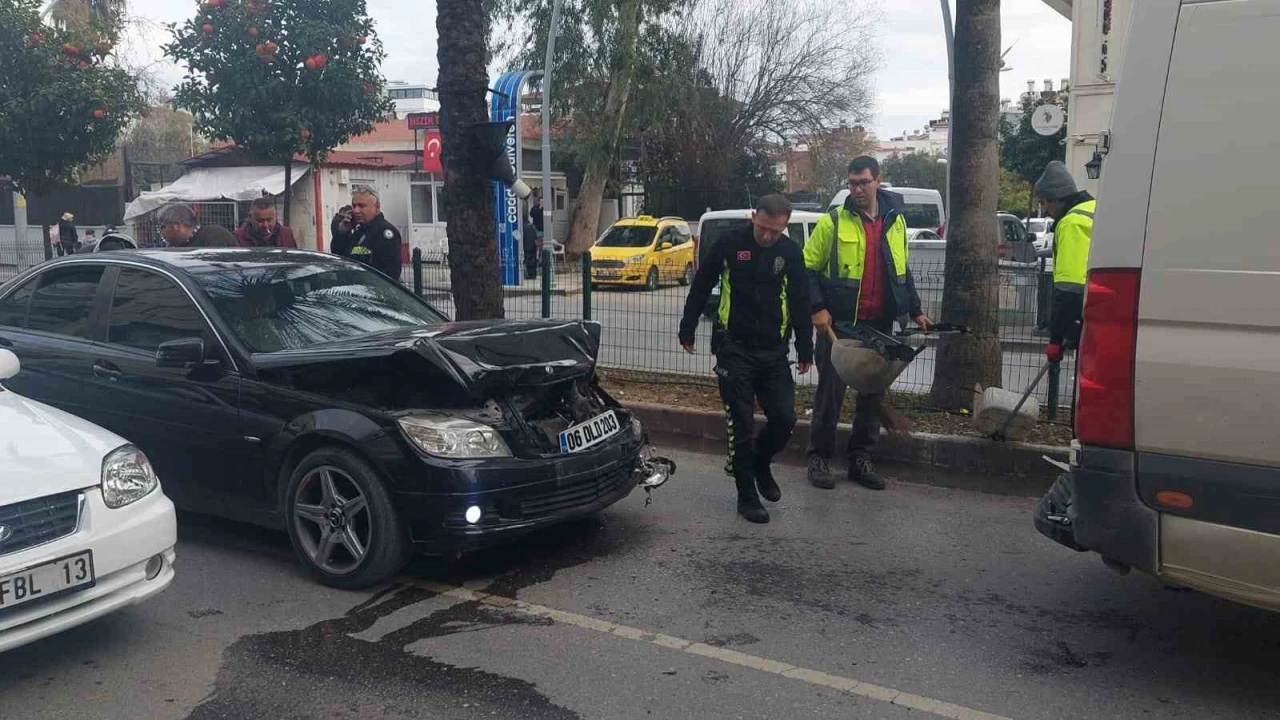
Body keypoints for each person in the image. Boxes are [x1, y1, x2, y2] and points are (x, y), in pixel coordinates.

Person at [679, 194, 813, 524]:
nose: (767, 236)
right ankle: (746, 495)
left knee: (784, 419)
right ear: (754, 217)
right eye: (763, 228)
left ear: (785, 226)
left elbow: (799, 301)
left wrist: (805, 349)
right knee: (740, 423)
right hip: (734, 348)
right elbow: (702, 285)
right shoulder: (729, 243)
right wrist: (688, 326)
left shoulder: (790, 252)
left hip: (773, 352)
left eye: (775, 231)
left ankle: (760, 462)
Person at [804, 156, 931, 492]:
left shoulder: (896, 221)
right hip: (840, 324)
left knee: (872, 395)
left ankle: (860, 458)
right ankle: (818, 458)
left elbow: (901, 272)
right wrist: (817, 308)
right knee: (830, 394)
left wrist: (916, 310)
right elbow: (808, 269)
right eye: (852, 183)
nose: (857, 189)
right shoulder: (833, 221)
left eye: (863, 181)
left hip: (879, 324)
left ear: (878, 180)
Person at [1034, 161, 1095, 362]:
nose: (1044, 210)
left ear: (1055, 199)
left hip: (1089, 321)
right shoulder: (1094, 208)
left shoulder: (1071, 223)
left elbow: (1069, 288)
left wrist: (1056, 338)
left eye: (1043, 202)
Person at [331, 188, 403, 279]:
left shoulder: (385, 232)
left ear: (377, 207)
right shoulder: (358, 231)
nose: (356, 210)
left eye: (361, 206)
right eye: (354, 206)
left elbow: (390, 273)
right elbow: (338, 257)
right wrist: (342, 232)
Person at [157, 204, 238, 248]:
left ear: (176, 225)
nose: (161, 232)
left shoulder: (216, 235)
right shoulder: (178, 246)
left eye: (163, 227)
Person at [523, 198, 539, 280]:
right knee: (532, 260)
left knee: (528, 259)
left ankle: (530, 274)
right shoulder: (531, 226)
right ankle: (533, 274)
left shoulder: (523, 226)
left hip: (527, 246)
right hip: (532, 246)